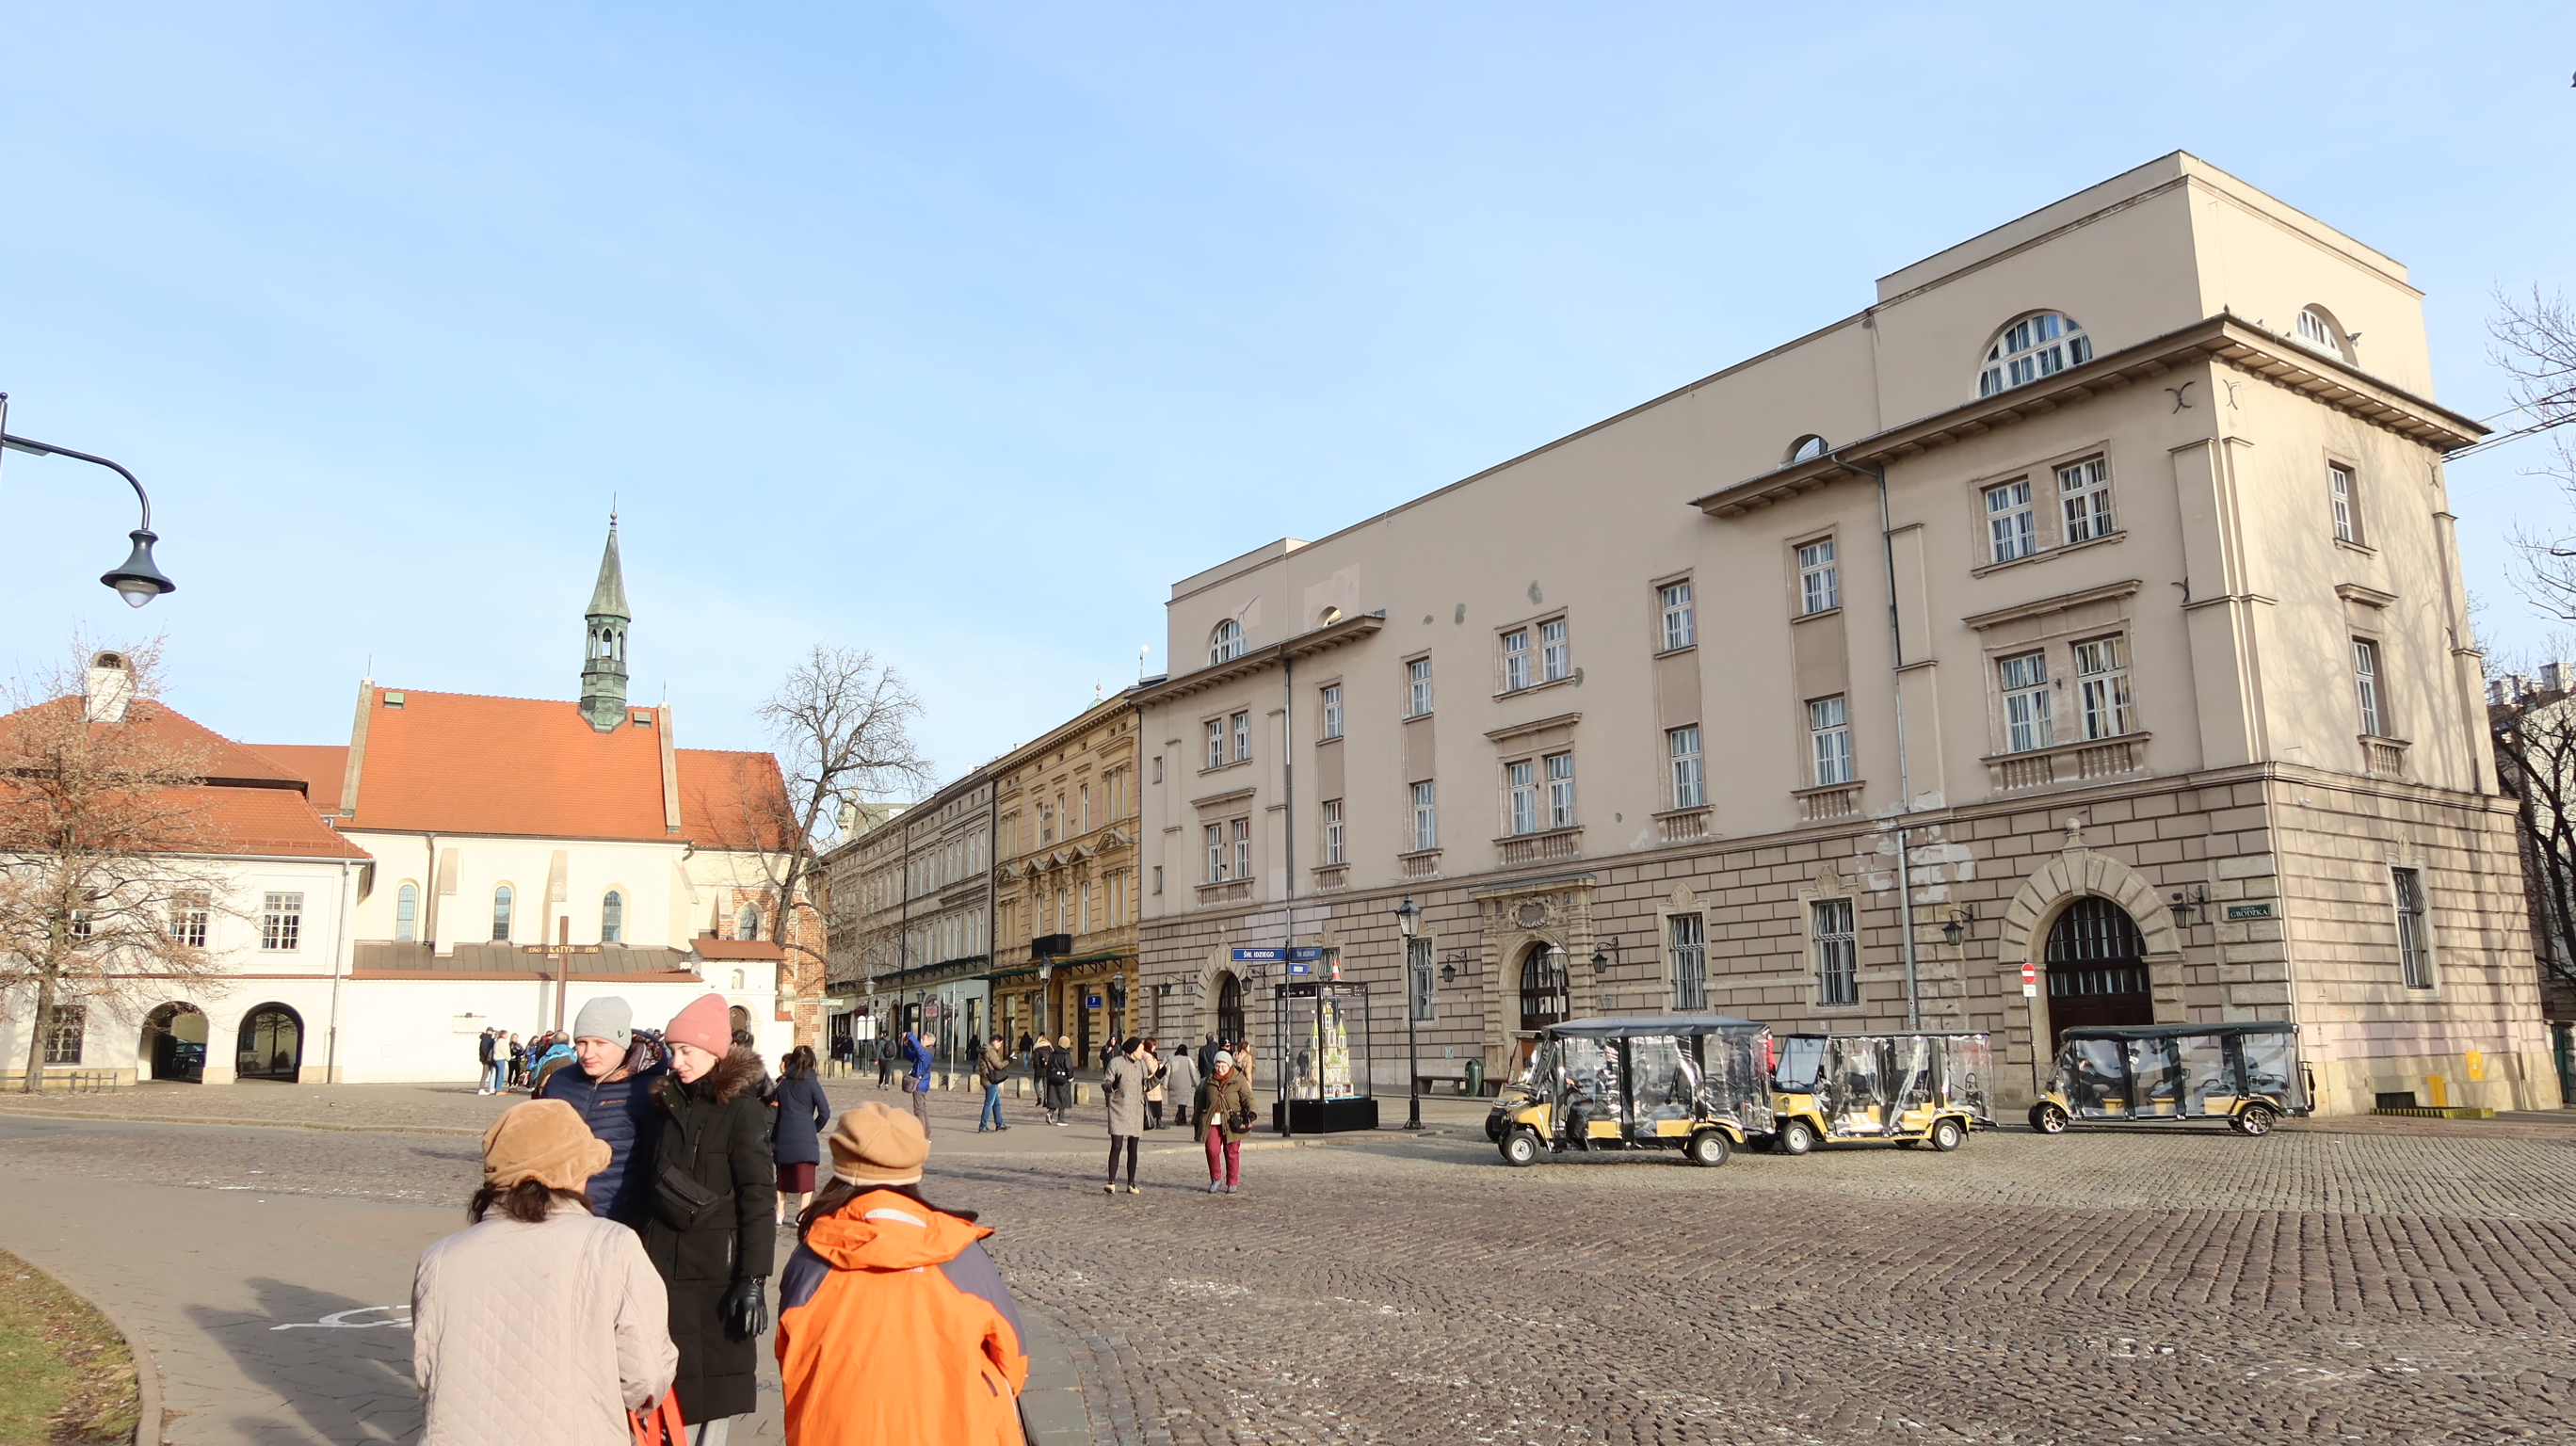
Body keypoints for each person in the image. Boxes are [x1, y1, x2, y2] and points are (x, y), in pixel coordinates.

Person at [411, 1100, 676, 1446]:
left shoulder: (439, 1257)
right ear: (572, 1173)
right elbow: (645, 1375)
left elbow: (427, 1371)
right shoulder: (612, 1245)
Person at [775, 1102, 1029, 1445]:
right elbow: (1013, 1359)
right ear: (913, 1169)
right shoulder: (962, 1253)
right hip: (959, 1430)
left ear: (841, 1167)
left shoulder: (810, 1259)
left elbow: (790, 1359)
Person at [643, 994, 777, 1446]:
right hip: (663, 1266)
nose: (676, 1061)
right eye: (672, 1050)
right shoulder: (668, 1105)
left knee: (713, 1392)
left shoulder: (742, 1110)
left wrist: (753, 1279)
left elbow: (758, 1197)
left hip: (718, 1274)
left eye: (687, 1051)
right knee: (666, 1387)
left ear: (714, 1052)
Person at [536, 998, 668, 1228]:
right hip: (556, 1216)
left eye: (600, 1043)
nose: (588, 1053)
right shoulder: (559, 1082)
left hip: (617, 1221)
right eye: (582, 1042)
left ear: (622, 1043)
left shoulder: (651, 1090)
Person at [772, 1046, 831, 1227]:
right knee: (806, 1179)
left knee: (783, 1177)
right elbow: (825, 1112)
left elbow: (774, 1111)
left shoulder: (783, 1084)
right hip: (806, 1134)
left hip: (784, 1132)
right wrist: (813, 1128)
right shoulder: (813, 1084)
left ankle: (780, 1212)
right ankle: (802, 1213)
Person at [1195, 1051, 1256, 1195]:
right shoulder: (1208, 1080)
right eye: (1217, 1065)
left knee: (1231, 1152)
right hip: (1212, 1121)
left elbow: (1248, 1097)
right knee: (1212, 1150)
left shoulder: (1238, 1079)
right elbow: (1200, 1101)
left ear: (1229, 1066)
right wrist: (1196, 1121)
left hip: (1231, 1122)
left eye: (1223, 1066)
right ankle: (1216, 1178)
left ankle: (1232, 1181)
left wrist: (1252, 1112)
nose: (1220, 1069)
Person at [1103, 1036, 1149, 1196]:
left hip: (1136, 1109)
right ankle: (1111, 1182)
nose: (1143, 1052)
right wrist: (1113, 1085)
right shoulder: (1115, 1063)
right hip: (1118, 1108)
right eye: (1141, 1049)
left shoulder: (1141, 1064)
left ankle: (1131, 1183)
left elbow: (1146, 1086)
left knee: (1133, 1147)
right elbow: (1105, 1083)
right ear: (1134, 1050)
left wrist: (1159, 1075)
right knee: (1116, 1145)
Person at [899, 1025, 934, 1133]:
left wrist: (909, 1034)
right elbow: (910, 1056)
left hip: (919, 1084)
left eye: (923, 1039)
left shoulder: (926, 1052)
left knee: (919, 1110)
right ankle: (926, 1133)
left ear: (929, 1042)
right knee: (923, 1109)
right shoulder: (924, 1053)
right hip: (922, 1083)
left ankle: (921, 1134)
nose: (921, 1040)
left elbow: (918, 1048)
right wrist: (906, 1045)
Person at [975, 1035, 1010, 1133]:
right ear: (995, 1041)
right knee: (989, 1103)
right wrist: (1009, 1060)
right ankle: (983, 1126)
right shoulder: (990, 1051)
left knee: (996, 1103)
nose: (1000, 1046)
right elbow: (999, 1065)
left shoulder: (984, 1050)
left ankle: (999, 1124)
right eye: (1000, 1043)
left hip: (986, 1078)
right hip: (991, 1080)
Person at [1165, 1040, 1198, 1129]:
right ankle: (1179, 1116)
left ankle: (1183, 1118)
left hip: (1173, 1082)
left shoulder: (1172, 1059)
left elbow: (1167, 1073)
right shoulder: (1188, 1059)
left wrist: (1165, 1084)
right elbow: (1193, 1072)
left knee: (1180, 1101)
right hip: (1185, 1082)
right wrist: (1197, 1083)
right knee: (1183, 1100)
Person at [1045, 1035, 1074, 1127]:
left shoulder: (1053, 1054)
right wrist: (1070, 1077)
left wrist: (1049, 1077)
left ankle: (1050, 1112)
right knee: (1063, 1099)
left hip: (1053, 1079)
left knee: (1055, 1098)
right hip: (1063, 1079)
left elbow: (1048, 1066)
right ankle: (1060, 1119)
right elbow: (1068, 1067)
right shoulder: (1066, 1055)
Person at [1140, 1038, 1167, 1131]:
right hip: (1152, 1081)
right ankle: (1155, 1122)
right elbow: (1152, 1069)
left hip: (1153, 1083)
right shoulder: (1147, 1056)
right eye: (1154, 1045)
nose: (1155, 1046)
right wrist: (1161, 1065)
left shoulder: (1148, 1055)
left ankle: (1156, 1121)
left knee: (1156, 1103)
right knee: (1154, 1104)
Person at [475, 1028, 499, 1095]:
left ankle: (486, 1088)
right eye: (492, 1031)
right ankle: (481, 1089)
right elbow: (485, 1049)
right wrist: (487, 1058)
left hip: (486, 1059)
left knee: (488, 1074)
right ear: (488, 1031)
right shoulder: (487, 1038)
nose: (492, 1033)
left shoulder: (487, 1038)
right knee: (485, 1074)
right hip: (486, 1060)